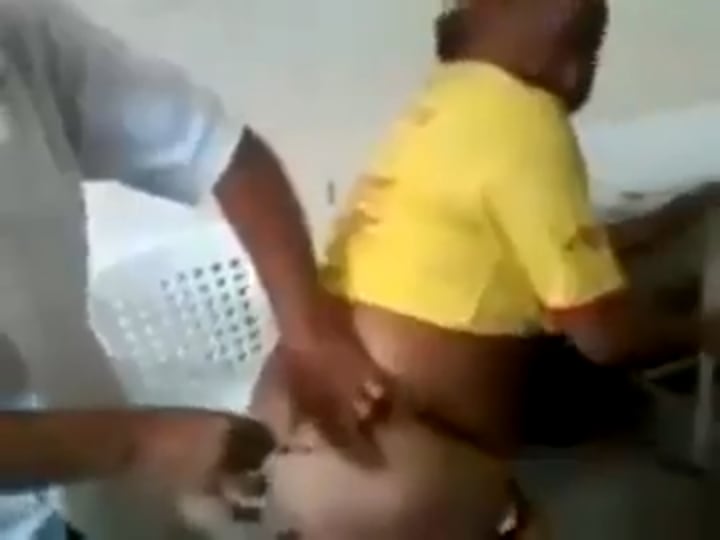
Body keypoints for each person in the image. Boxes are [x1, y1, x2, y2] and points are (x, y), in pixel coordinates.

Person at [252, 1, 720, 538]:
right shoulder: (530, 122)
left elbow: (546, 253)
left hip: (288, 411)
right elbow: (605, 338)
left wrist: (669, 218)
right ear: (569, 57)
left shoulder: (445, 101)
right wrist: (703, 331)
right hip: (393, 461)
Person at [0, 0, 386, 538]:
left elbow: (222, 152)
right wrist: (145, 442)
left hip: (89, 474)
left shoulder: (23, 34)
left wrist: (308, 333)